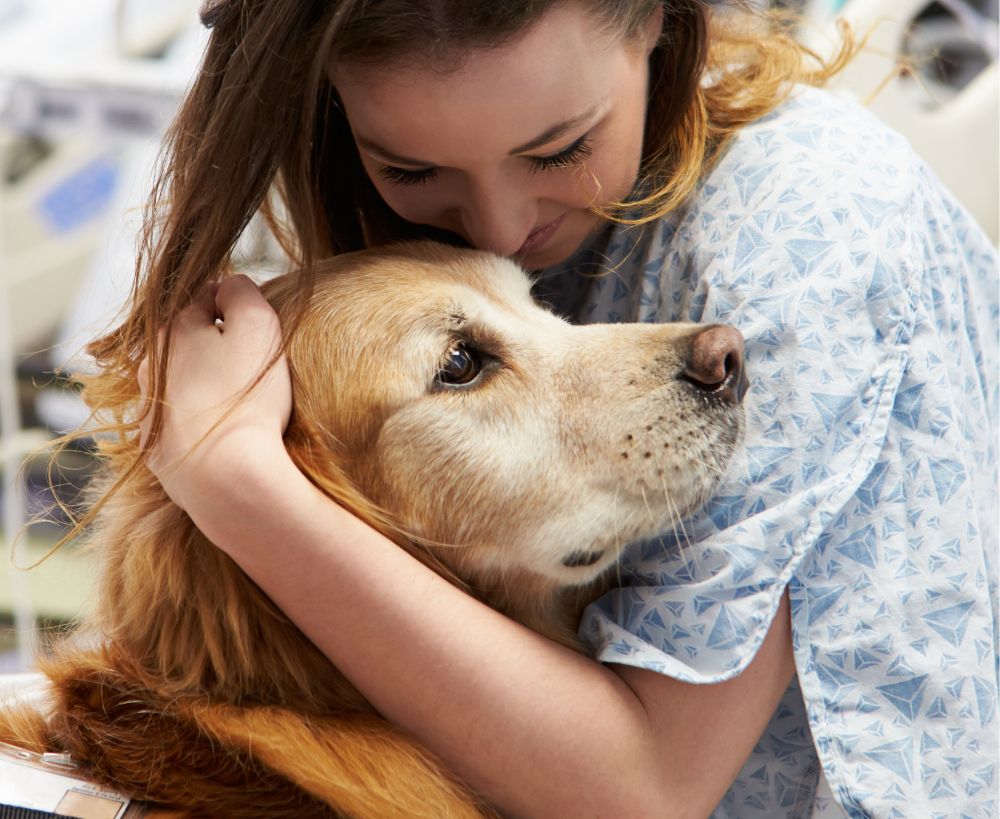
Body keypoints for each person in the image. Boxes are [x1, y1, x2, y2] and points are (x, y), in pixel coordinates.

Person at [85, 1, 996, 817]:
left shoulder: (809, 226)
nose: (495, 224)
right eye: (410, 168)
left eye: (559, 149)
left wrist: (233, 479)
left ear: (657, 23)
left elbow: (645, 792)